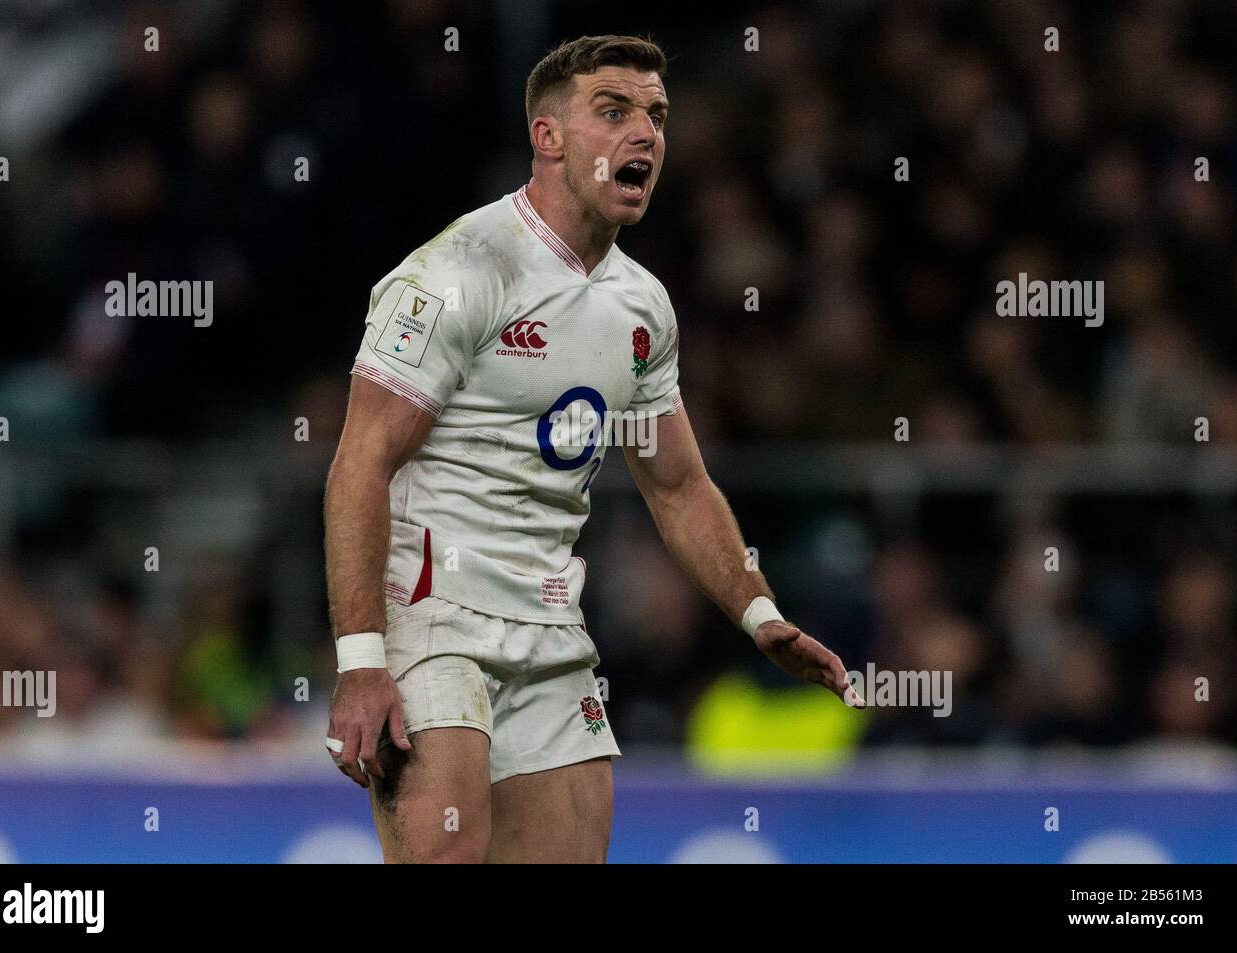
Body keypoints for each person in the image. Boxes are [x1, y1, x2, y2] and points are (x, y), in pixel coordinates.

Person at [323, 34, 862, 864]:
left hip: (549, 631)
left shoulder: (642, 309)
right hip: (431, 620)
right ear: (549, 138)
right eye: (613, 112)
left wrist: (759, 613)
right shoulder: (456, 274)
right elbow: (361, 459)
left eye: (656, 115)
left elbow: (678, 486)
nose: (643, 133)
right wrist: (360, 662)